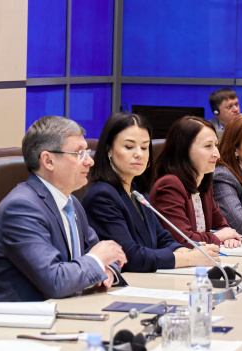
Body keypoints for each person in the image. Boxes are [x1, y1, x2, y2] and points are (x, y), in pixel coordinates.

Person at [0, 115, 126, 302]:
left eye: (87, 152)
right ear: (48, 161)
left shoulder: (71, 202)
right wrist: (98, 262)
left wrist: (106, 267)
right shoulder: (21, 208)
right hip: (23, 321)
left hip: (66, 310)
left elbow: (106, 254)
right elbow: (55, 281)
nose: (89, 161)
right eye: (79, 153)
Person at [83, 113, 218, 272]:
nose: (139, 153)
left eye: (145, 147)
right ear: (109, 150)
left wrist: (183, 250)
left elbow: (163, 238)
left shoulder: (137, 191)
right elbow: (129, 257)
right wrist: (187, 259)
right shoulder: (102, 196)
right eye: (129, 146)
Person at [149, 116, 242, 248]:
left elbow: (222, 226)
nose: (217, 154)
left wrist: (230, 239)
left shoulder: (203, 183)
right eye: (208, 146)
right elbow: (183, 240)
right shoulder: (169, 185)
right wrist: (219, 237)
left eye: (216, 145)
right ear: (184, 150)